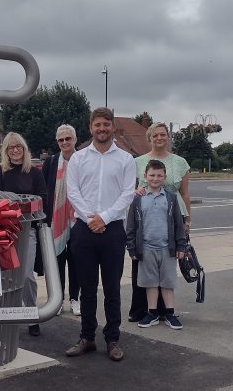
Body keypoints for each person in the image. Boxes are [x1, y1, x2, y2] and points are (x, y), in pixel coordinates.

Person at [64, 108, 136, 361]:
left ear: (112, 127)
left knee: (112, 288)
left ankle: (113, 339)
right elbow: (72, 191)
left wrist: (103, 218)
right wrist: (90, 218)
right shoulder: (79, 158)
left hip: (112, 229)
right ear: (91, 127)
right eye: (98, 124)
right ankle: (87, 337)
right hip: (84, 229)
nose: (102, 128)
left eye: (106, 124)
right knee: (87, 287)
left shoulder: (126, 160)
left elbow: (128, 194)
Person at [129, 122, 191, 322]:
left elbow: (184, 193)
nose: (159, 138)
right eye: (155, 135)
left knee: (167, 265)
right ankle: (142, 310)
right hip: (146, 214)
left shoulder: (180, 162)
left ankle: (166, 311)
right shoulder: (138, 162)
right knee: (142, 265)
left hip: (173, 214)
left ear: (168, 137)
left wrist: (188, 218)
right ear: (149, 138)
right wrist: (135, 192)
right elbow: (131, 188)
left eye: (163, 134)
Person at [0, 132, 48, 336]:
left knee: (26, 275)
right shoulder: (0, 170)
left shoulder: (34, 171)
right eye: (11, 148)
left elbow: (42, 198)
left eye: (19, 147)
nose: (15, 150)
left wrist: (23, 203)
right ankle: (7, 315)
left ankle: (31, 313)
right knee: (7, 275)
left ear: (24, 149)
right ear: (5, 151)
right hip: (5, 230)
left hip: (27, 230)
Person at [42, 124, 80, 316]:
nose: (65, 142)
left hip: (77, 218)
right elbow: (43, 191)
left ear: (75, 139)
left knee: (76, 260)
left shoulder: (83, 159)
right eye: (61, 140)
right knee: (56, 261)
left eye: (68, 139)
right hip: (55, 217)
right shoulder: (50, 162)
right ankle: (57, 300)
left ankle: (75, 298)